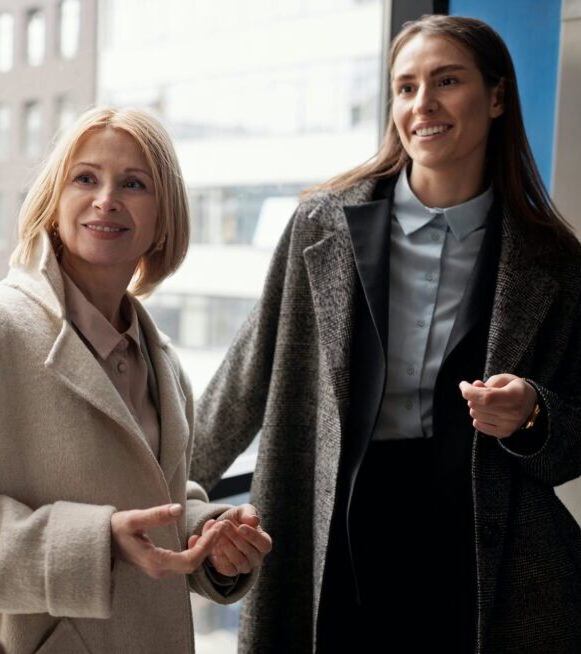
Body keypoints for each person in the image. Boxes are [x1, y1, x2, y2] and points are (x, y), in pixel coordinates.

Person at [190, 14, 581, 654]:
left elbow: (575, 430)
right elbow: (245, 378)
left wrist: (533, 414)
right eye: (405, 87)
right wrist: (160, 497)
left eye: (446, 81)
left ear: (498, 96)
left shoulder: (553, 262)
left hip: (487, 557)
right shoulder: (322, 225)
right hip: (333, 529)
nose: (422, 104)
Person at [0, 106, 274, 653]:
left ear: (163, 221)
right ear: (53, 205)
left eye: (134, 183)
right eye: (85, 178)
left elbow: (152, 499)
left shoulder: (165, 362)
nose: (107, 198)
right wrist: (96, 541)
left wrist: (208, 535)